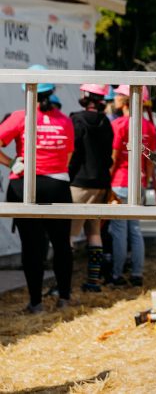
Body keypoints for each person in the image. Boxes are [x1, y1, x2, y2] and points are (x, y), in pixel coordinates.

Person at [0, 64, 76, 312]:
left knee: (32, 247)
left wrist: (11, 161)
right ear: (52, 91)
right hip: (57, 185)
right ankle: (64, 298)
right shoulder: (64, 120)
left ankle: (36, 303)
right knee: (61, 244)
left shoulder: (20, 117)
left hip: (24, 184)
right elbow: (67, 157)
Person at [108, 84, 156, 286]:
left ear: (127, 100)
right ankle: (137, 274)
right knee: (135, 230)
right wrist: (144, 180)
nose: (115, 98)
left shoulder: (119, 125)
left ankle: (117, 275)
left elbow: (112, 158)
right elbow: (152, 159)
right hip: (139, 183)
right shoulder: (148, 127)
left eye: (119, 94)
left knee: (119, 231)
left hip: (120, 182)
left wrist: (106, 184)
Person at [68, 83, 115, 292]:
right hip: (101, 184)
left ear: (85, 95)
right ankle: (93, 281)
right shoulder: (107, 123)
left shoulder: (76, 120)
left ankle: (65, 284)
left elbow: (73, 154)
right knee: (94, 232)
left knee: (68, 235)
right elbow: (108, 157)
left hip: (79, 183)